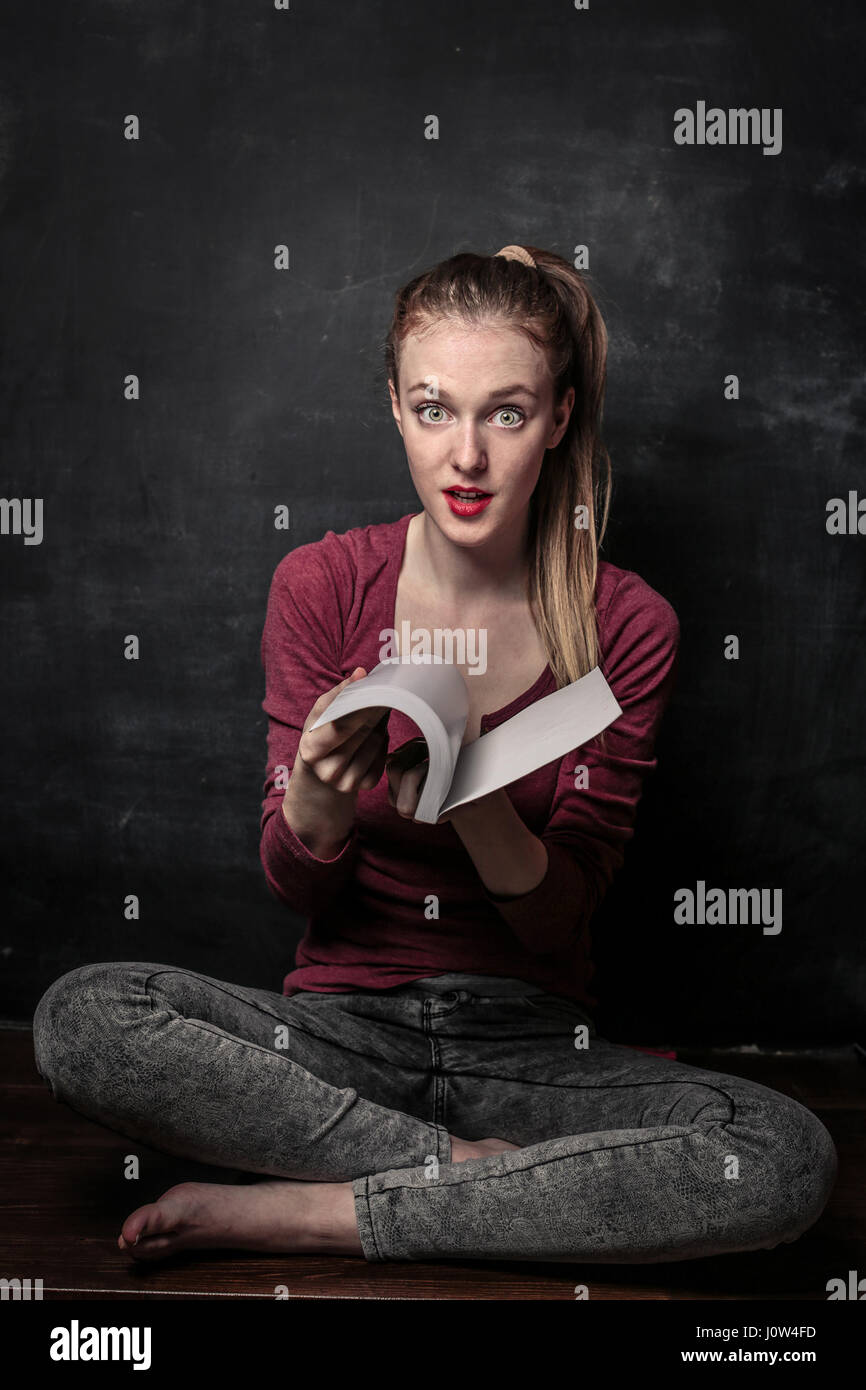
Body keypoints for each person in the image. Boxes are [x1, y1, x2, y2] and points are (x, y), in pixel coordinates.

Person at [32, 245, 837, 1266]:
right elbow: (296, 890)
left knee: (778, 1154)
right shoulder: (321, 583)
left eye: (503, 413)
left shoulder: (627, 621)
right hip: (337, 1041)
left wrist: (470, 795)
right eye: (432, 409)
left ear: (556, 415)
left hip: (534, 1050)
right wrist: (318, 804)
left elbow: (558, 923)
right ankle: (457, 1174)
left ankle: (331, 1210)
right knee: (84, 1017)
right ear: (393, 405)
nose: (465, 456)